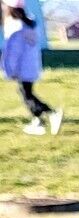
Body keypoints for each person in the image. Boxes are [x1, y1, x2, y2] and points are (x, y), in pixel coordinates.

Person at [2, 5, 61, 135]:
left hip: (22, 68)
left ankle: (51, 113)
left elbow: (13, 53)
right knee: (26, 92)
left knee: (27, 95)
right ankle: (38, 120)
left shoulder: (16, 29)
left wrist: (10, 70)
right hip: (31, 66)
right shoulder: (29, 26)